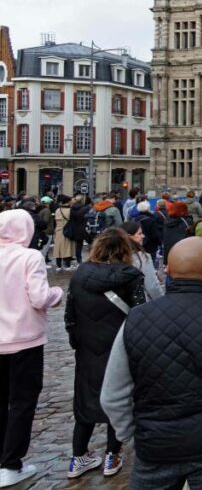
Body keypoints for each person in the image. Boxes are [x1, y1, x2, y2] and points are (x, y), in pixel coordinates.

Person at [100, 237, 202, 489]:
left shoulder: (136, 319)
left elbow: (112, 395)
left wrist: (131, 435)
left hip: (157, 443)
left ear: (168, 272)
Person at [65, 228, 146, 479]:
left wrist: (77, 341)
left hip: (89, 348)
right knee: (118, 398)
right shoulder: (131, 275)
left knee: (85, 401)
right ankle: (113, 454)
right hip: (119, 346)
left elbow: (70, 315)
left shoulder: (80, 274)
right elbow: (140, 313)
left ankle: (78, 457)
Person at [0, 210, 64, 488]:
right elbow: (39, 297)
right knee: (22, 402)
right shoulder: (30, 257)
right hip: (24, 339)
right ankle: (11, 464)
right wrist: (58, 294)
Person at [118, 221, 164, 302]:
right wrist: (162, 302)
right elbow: (152, 286)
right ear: (129, 237)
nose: (143, 236)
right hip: (142, 303)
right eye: (139, 233)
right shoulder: (142, 257)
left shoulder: (115, 256)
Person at [52, 195, 75, 271]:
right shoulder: (70, 210)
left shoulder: (57, 210)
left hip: (58, 230)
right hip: (67, 231)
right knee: (67, 247)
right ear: (68, 202)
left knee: (58, 248)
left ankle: (58, 266)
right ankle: (67, 265)